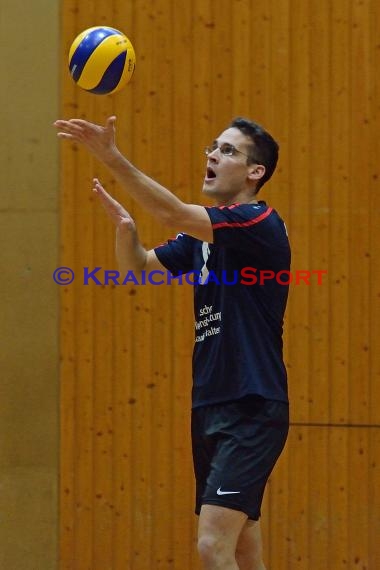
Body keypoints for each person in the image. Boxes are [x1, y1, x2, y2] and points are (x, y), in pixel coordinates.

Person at [54, 115, 291, 570]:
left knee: (212, 545)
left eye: (226, 151)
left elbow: (173, 212)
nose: (212, 156)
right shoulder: (202, 239)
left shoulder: (258, 221)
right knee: (242, 547)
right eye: (212, 147)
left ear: (254, 171)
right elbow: (138, 268)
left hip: (251, 405)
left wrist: (112, 157)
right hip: (211, 404)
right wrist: (128, 231)